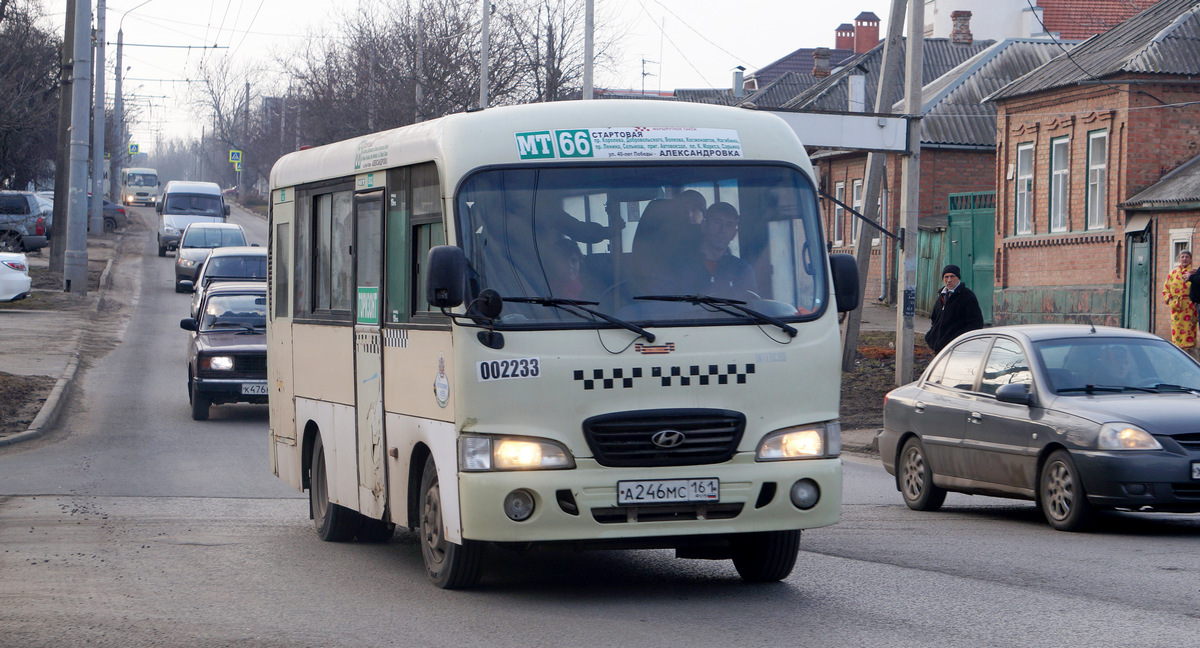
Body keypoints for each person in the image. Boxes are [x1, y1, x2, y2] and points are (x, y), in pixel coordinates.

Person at [693, 201, 757, 297]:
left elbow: (752, 307)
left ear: (734, 234)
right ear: (704, 226)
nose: (722, 230)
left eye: (729, 225)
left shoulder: (743, 271)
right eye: (717, 222)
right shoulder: (678, 266)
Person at [925, 264, 984, 353]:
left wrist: (960, 341)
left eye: (952, 276)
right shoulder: (942, 296)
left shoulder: (967, 296)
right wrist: (932, 337)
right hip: (940, 348)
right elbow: (934, 319)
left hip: (957, 348)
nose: (949, 280)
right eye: (946, 277)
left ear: (958, 278)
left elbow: (976, 323)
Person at [1162, 250, 1197, 356]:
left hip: (1190, 306)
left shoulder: (1194, 273)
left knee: (1189, 329)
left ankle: (1190, 351)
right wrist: (1169, 299)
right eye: (1182, 256)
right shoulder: (1172, 273)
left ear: (1190, 259)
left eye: (1187, 256)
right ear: (1179, 259)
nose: (1184, 259)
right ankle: (1177, 350)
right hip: (1176, 306)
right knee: (1177, 328)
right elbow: (1166, 289)